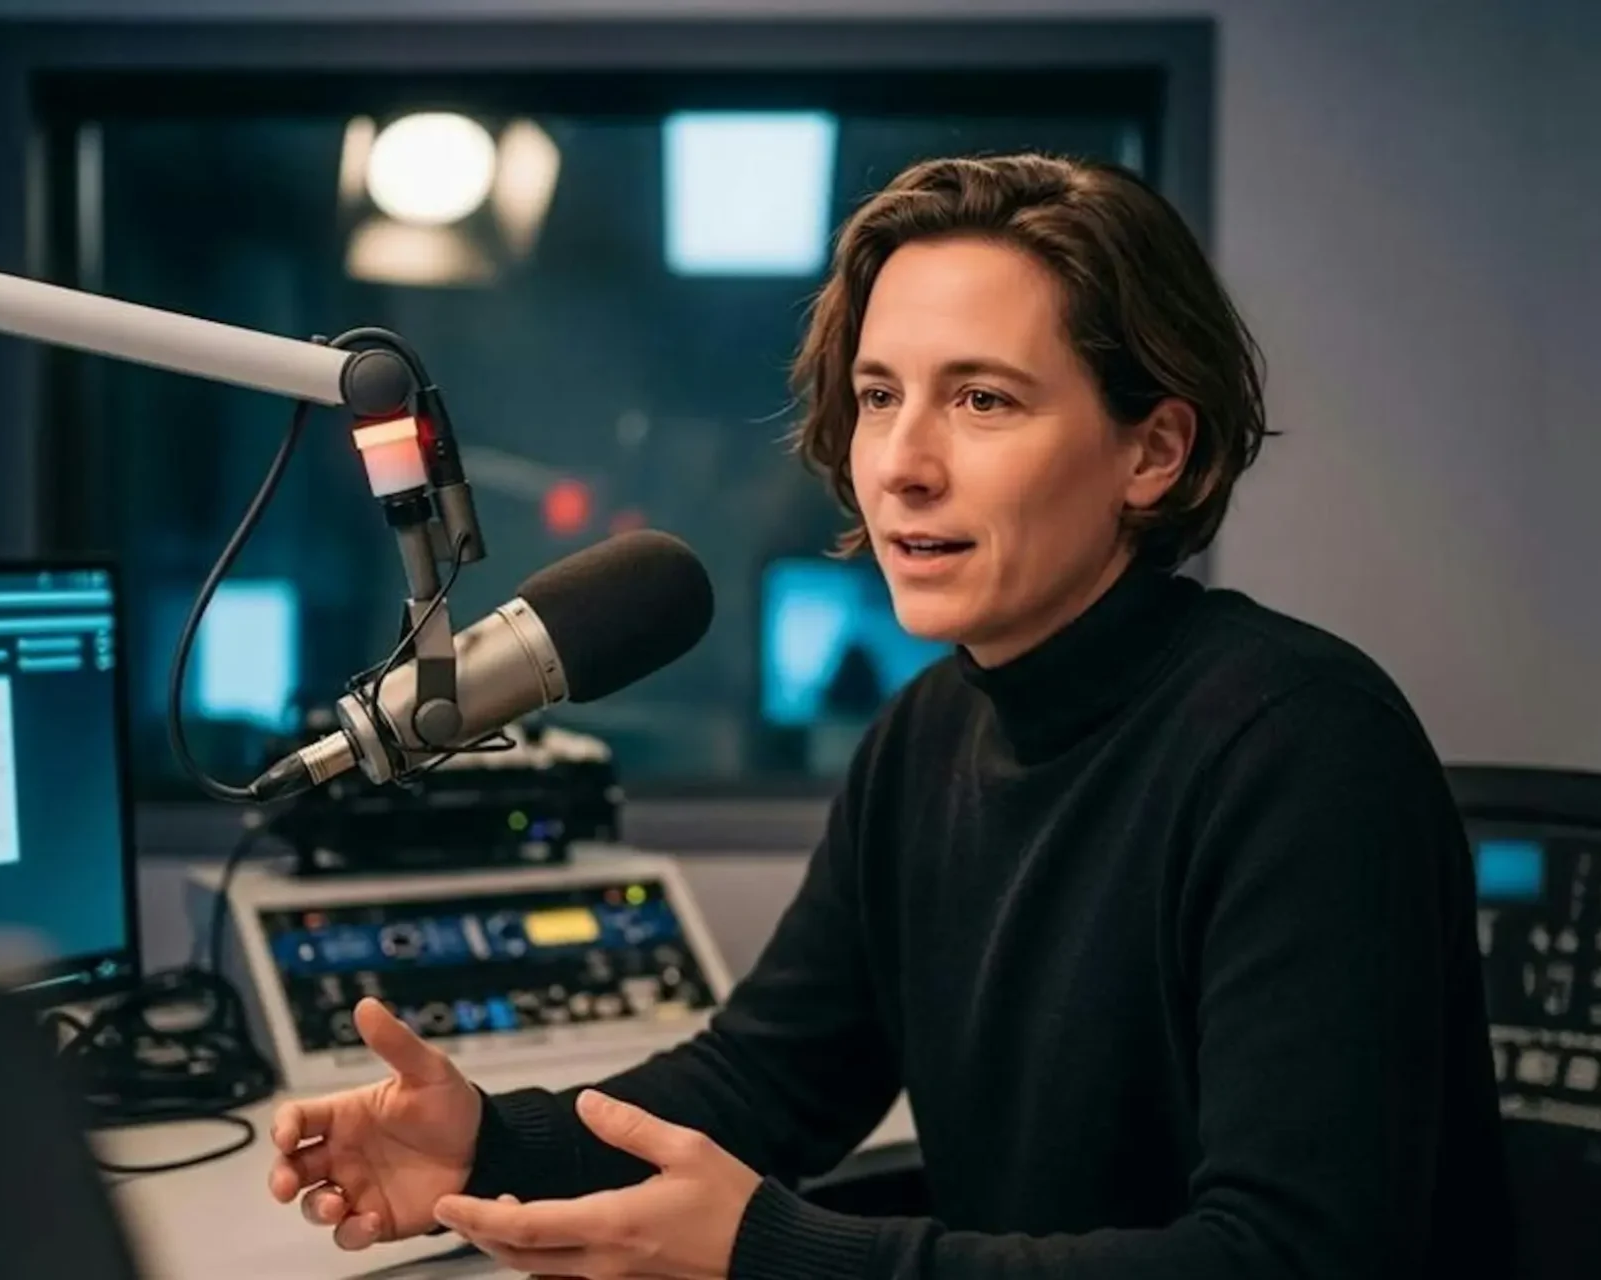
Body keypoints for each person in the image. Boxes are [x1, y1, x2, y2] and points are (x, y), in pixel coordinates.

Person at [265, 153, 1512, 1278]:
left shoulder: (1304, 747)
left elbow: (1289, 1255)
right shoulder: (927, 734)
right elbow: (768, 1077)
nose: (902, 462)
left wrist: (773, 1252)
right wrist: (491, 1141)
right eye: (877, 394)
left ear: (1154, 452)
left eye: (983, 400)